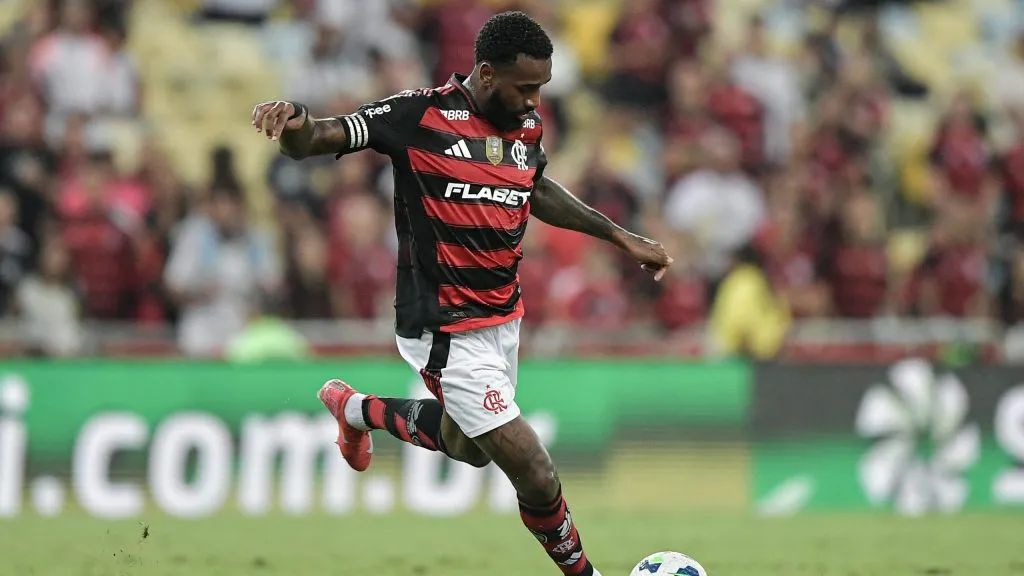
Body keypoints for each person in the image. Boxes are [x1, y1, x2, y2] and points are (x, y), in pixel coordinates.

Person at [251, 12, 672, 576]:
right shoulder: (417, 116)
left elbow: (535, 187)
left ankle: (354, 409)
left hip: (502, 319)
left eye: (541, 88)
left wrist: (620, 236)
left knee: (470, 446)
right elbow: (318, 138)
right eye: (525, 88)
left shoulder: (524, 125)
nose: (534, 102)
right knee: (534, 469)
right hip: (443, 327)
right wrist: (295, 120)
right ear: (487, 73)